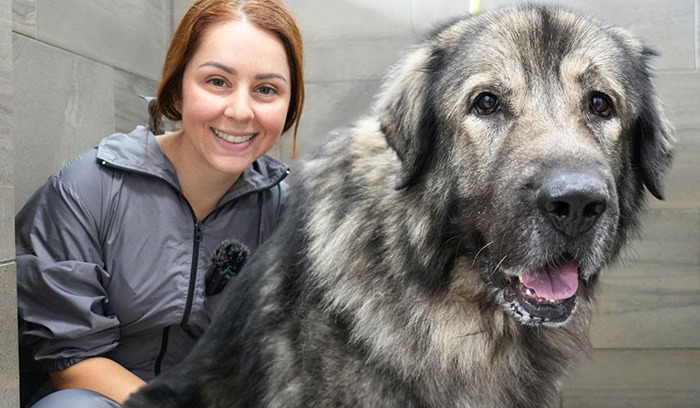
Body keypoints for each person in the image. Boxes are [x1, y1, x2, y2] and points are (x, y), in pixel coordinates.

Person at [15, 0, 304, 406]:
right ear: (177, 88)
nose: (241, 111)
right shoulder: (87, 189)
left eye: (266, 90)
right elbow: (75, 360)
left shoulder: (289, 215)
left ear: (289, 105)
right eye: (217, 81)